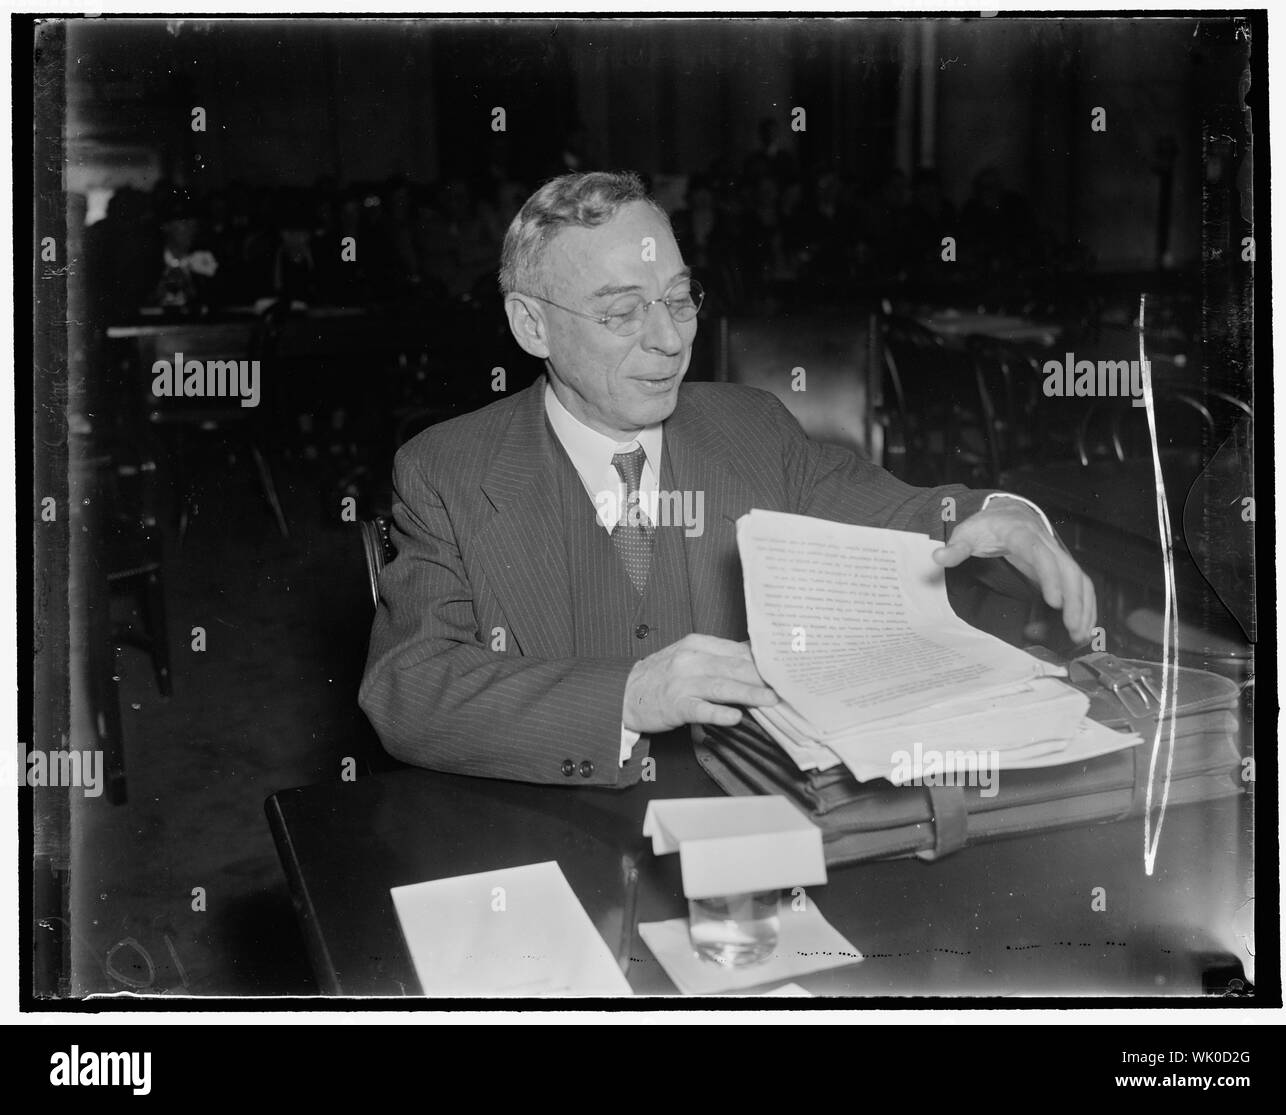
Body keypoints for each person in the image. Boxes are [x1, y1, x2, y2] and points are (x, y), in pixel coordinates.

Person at [360, 171, 1096, 788]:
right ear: (531, 326)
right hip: (552, 835)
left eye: (680, 299)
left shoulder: (750, 427)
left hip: (756, 818)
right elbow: (409, 687)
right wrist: (628, 696)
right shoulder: (447, 470)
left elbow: (904, 515)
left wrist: (1000, 514)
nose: (671, 339)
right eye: (622, 312)